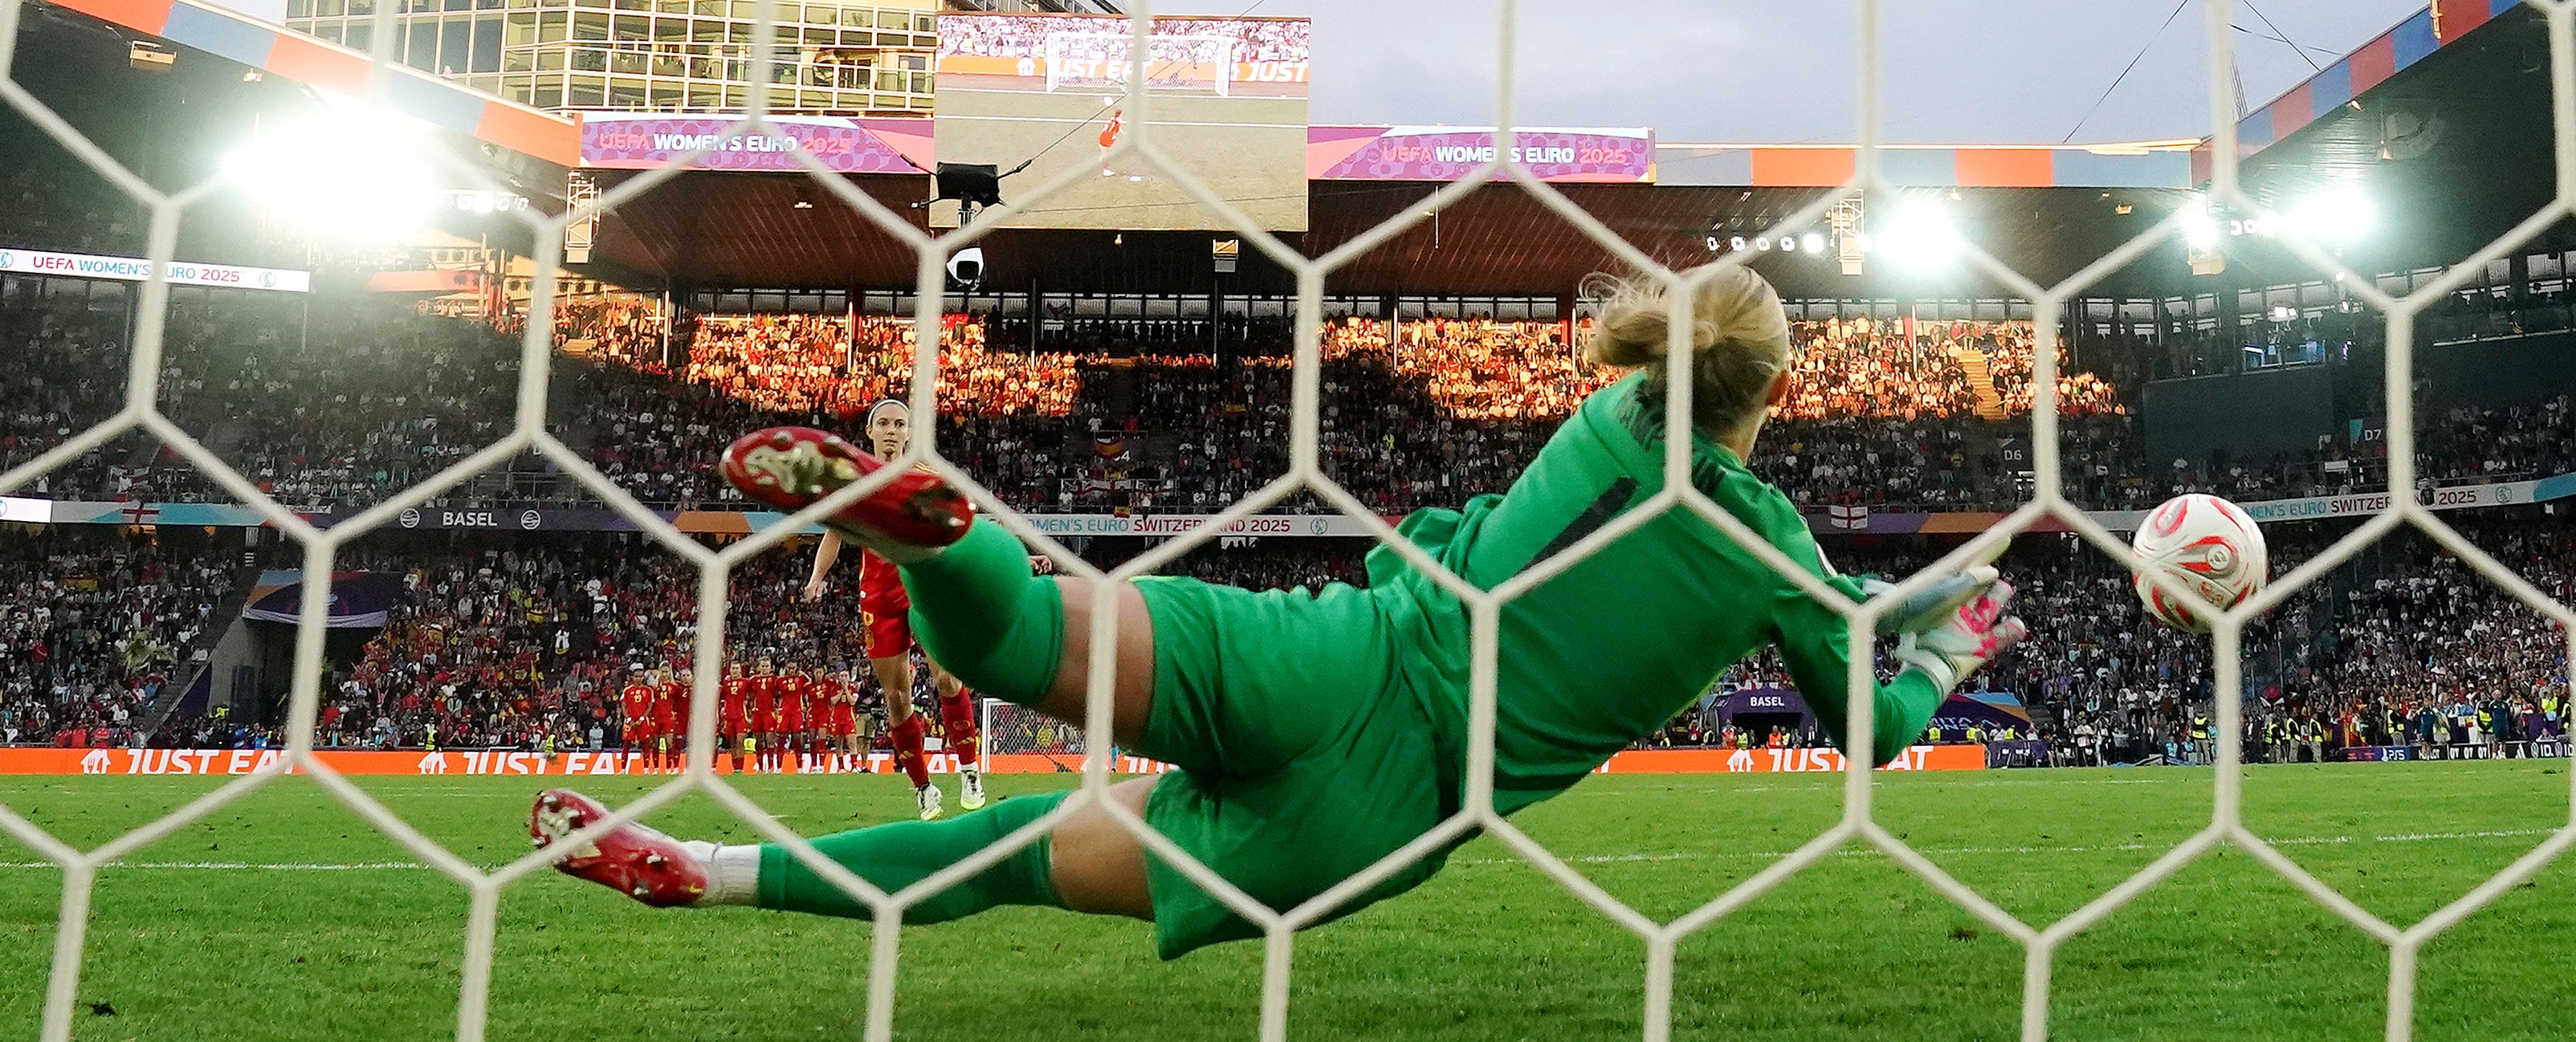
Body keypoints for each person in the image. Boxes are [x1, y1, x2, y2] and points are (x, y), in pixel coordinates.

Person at [528, 267, 2023, 954]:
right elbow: (1872, 729)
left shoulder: (1607, 423)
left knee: (1006, 638)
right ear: (1777, 396)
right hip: (1390, 805)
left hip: (1335, 650)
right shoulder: (1772, 559)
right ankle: (703, 873)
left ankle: (936, 531)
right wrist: (1931, 646)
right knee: (996, 860)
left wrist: (1846, 596)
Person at [798, 400, 986, 818]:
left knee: (948, 679)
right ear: (870, 431)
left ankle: (970, 770)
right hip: (878, 598)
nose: (891, 430)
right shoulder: (854, 484)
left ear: (908, 433)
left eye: (899, 424)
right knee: (897, 696)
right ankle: (923, 787)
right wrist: (816, 578)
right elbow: (834, 535)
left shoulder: (927, 478)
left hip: (924, 588)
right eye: (883, 423)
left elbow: (961, 531)